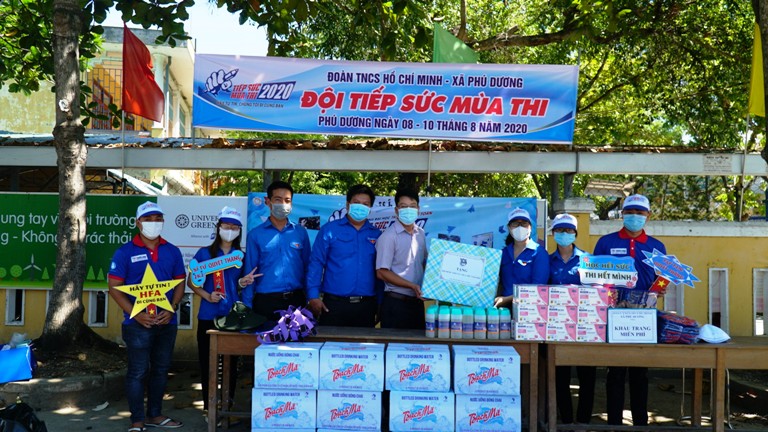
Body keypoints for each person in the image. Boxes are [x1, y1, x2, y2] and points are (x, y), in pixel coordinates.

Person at [108, 201, 185, 431]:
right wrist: (136, 314)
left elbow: (180, 283)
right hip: (137, 324)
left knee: (161, 370)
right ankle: (137, 421)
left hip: (166, 322)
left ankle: (155, 415)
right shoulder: (124, 252)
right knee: (138, 372)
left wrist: (171, 308)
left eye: (158, 219)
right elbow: (114, 287)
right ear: (138, 223)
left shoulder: (172, 251)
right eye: (148, 219)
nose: (154, 223)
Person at [593, 194, 666, 426]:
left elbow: (664, 277)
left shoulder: (657, 246)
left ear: (648, 216)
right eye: (630, 212)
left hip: (644, 314)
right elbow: (595, 277)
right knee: (615, 372)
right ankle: (614, 423)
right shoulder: (605, 242)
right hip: (614, 313)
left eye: (639, 213)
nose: (635, 216)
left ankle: (640, 424)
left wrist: (659, 289)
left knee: (640, 373)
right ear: (622, 214)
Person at [188, 206, 258, 414]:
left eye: (235, 227)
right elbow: (192, 282)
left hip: (232, 316)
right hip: (208, 315)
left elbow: (238, 285)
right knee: (207, 363)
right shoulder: (204, 254)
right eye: (226, 226)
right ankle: (209, 408)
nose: (230, 230)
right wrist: (207, 295)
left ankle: (227, 405)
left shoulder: (242, 257)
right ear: (218, 227)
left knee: (231, 364)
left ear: (239, 231)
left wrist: (243, 282)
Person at [306, 184, 381, 327]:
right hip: (334, 305)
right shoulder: (329, 230)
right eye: (356, 202)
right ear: (348, 205)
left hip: (366, 306)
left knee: (364, 342)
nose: (361, 207)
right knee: (331, 341)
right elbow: (316, 262)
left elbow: (380, 271)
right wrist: (313, 295)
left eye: (365, 204)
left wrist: (380, 303)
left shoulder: (376, 234)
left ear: (370, 208)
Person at [549, 213, 596, 425]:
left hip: (586, 325)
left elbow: (598, 289)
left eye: (569, 230)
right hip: (558, 326)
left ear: (575, 233)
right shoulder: (547, 261)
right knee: (561, 377)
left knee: (587, 377)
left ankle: (583, 422)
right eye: (560, 230)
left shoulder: (588, 260)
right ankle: (566, 421)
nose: (564, 234)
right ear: (553, 233)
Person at [242, 181, 310, 321]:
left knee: (298, 336)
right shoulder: (255, 235)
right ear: (268, 201)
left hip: (296, 301)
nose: (283, 204)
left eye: (287, 200)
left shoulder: (300, 232)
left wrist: (311, 298)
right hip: (266, 303)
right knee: (265, 336)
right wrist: (246, 307)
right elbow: (249, 273)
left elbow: (308, 268)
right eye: (278, 199)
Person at [375, 188, 427, 329]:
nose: (409, 210)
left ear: (418, 209)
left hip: (417, 303)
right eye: (404, 206)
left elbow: (423, 263)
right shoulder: (388, 237)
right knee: (395, 342)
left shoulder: (420, 234)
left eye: (413, 206)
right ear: (396, 210)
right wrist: (412, 286)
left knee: (419, 342)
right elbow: (381, 272)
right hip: (395, 304)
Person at [495, 207, 549, 306]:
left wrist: (507, 299)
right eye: (515, 223)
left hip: (529, 308)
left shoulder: (539, 253)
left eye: (524, 223)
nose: (520, 227)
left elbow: (538, 288)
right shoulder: (503, 253)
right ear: (509, 228)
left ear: (530, 227)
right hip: (504, 310)